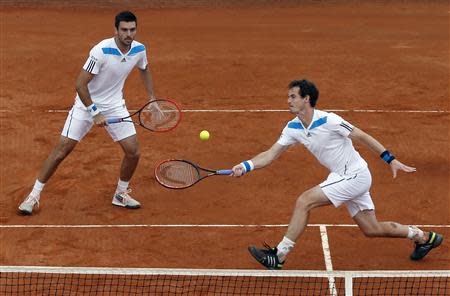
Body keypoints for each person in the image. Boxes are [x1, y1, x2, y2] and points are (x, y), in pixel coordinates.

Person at [231, 79, 443, 269]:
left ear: (306, 99)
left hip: (355, 174)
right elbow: (270, 154)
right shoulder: (293, 127)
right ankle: (423, 237)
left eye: (293, 96)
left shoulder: (329, 120)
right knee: (372, 228)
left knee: (305, 201)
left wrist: (390, 159)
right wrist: (245, 165)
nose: (288, 100)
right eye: (288, 96)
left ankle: (279, 256)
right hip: (341, 176)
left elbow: (362, 136)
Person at [19, 11, 157, 215]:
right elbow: (80, 84)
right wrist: (94, 112)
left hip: (115, 105)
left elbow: (144, 69)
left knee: (133, 151)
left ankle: (120, 194)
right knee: (62, 150)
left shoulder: (139, 49)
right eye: (124, 30)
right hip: (86, 105)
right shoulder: (101, 51)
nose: (129, 34)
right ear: (116, 30)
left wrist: (152, 98)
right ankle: (33, 196)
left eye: (132, 29)